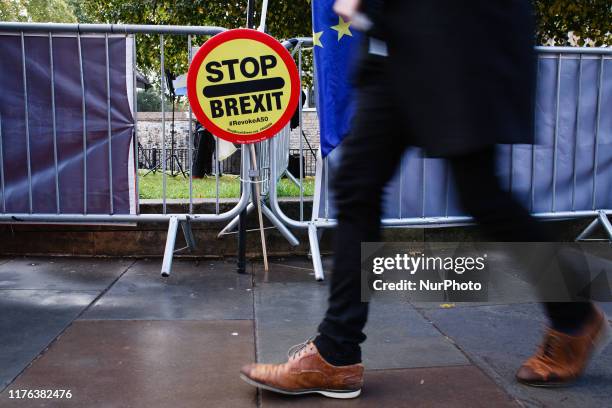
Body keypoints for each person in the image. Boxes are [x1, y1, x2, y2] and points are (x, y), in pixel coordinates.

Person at [240, 0, 610, 398]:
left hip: (458, 41)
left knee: (481, 195)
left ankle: (573, 315)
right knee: (357, 185)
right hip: (397, 45)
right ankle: (336, 352)